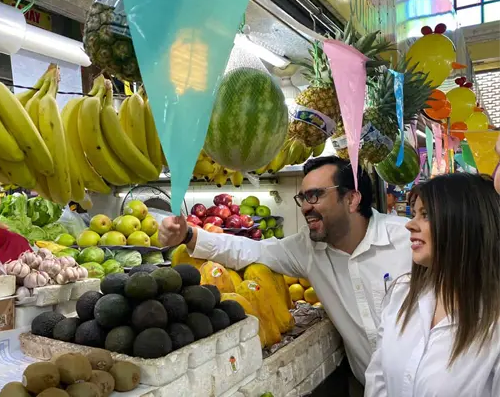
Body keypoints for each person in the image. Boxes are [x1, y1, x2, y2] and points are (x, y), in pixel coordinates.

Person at [159, 156, 412, 392]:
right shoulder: (307, 250)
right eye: (302, 197)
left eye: (315, 195)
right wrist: (189, 235)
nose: (305, 207)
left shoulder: (410, 241)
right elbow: (249, 250)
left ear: (352, 199)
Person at [364, 173, 500, 396]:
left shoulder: (493, 322)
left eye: (425, 215)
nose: (410, 225)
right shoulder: (401, 293)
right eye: (414, 214)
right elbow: (378, 379)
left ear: (465, 223)